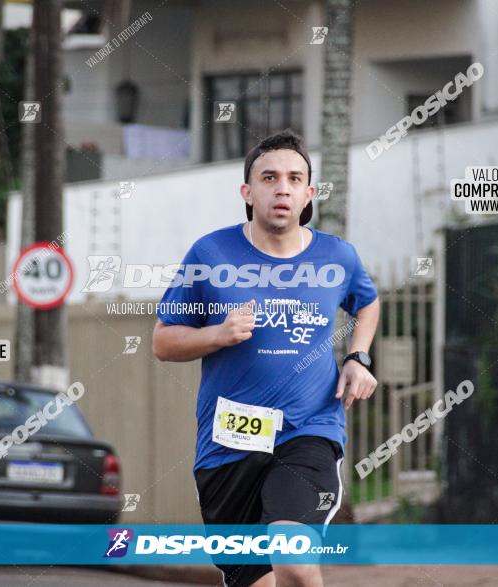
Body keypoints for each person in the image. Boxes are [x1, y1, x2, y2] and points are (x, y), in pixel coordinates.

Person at [152, 129, 380, 587]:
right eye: (270, 177)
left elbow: (367, 302)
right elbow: (163, 342)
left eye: (295, 179)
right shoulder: (210, 254)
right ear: (248, 192)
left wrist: (359, 356)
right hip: (227, 446)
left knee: (292, 562)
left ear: (308, 193)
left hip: (307, 430)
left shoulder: (337, 256)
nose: (283, 188)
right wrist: (217, 334)